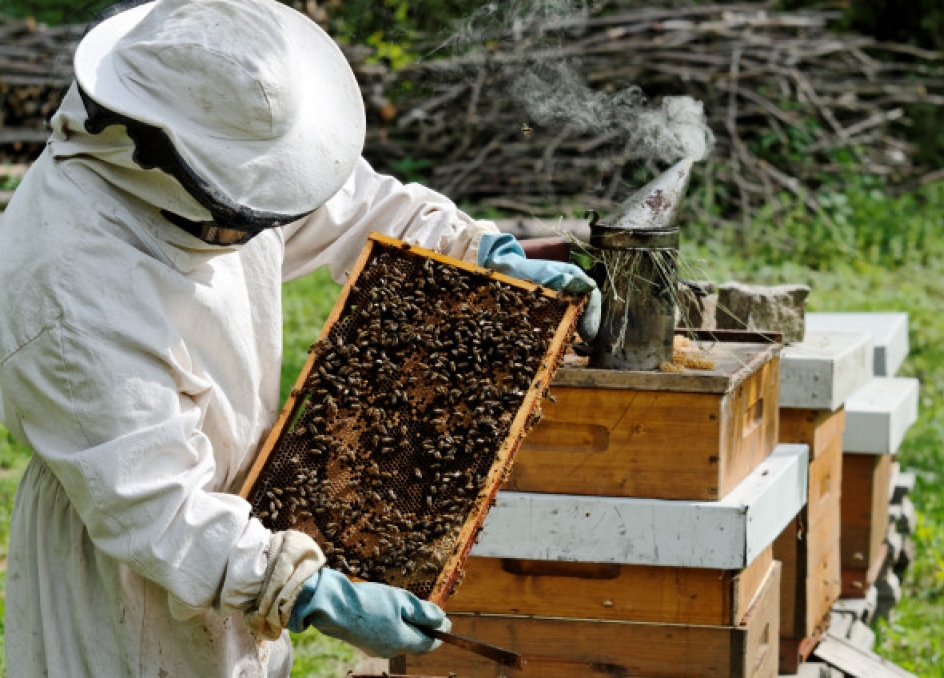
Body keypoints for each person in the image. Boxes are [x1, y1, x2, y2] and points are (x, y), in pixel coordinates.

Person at [0, 0, 599, 675]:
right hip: (123, 563)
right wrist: (299, 585)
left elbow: (347, 206)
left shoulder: (206, 153)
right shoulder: (65, 281)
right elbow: (155, 509)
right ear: (162, 161)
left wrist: (479, 252)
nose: (255, 225)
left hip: (233, 520)